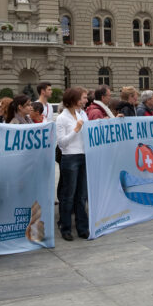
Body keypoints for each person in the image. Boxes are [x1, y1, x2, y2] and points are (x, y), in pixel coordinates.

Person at [56, 87, 89, 241]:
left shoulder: (82, 114)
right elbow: (62, 143)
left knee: (82, 195)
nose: (86, 100)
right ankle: (66, 227)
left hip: (83, 156)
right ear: (75, 100)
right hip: (70, 157)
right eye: (83, 97)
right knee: (68, 195)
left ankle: (83, 227)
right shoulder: (62, 118)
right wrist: (76, 129)